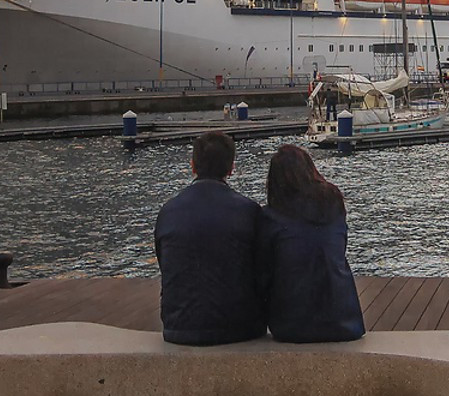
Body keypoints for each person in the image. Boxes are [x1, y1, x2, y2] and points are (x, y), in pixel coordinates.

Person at [153, 131, 266, 345]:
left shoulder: (168, 211)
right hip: (241, 327)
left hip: (179, 327)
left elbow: (164, 263)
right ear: (231, 168)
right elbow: (262, 269)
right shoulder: (249, 211)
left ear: (193, 166)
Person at [257, 144, 364, 343]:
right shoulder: (334, 203)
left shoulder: (271, 218)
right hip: (345, 321)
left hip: (293, 325)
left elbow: (264, 272)